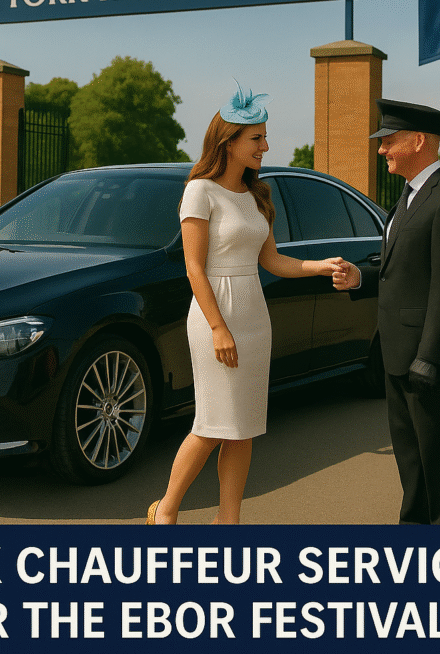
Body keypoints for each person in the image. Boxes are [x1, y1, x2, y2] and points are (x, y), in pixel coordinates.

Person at [147, 85, 345, 525]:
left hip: (254, 315)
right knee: (212, 423)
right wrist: (218, 327)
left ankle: (228, 521)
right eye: (256, 138)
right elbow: (194, 268)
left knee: (244, 426)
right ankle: (165, 511)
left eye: (265, 137)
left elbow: (272, 261)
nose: (265, 146)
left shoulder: (259, 194)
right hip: (216, 314)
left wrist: (319, 266)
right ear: (229, 141)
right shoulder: (200, 191)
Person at [333, 99, 440, 525]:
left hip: (428, 358)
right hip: (397, 357)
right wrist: (360, 280)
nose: (382, 151)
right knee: (412, 463)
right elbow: (402, 270)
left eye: (389, 142)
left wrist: (429, 357)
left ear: (418, 141)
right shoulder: (408, 198)